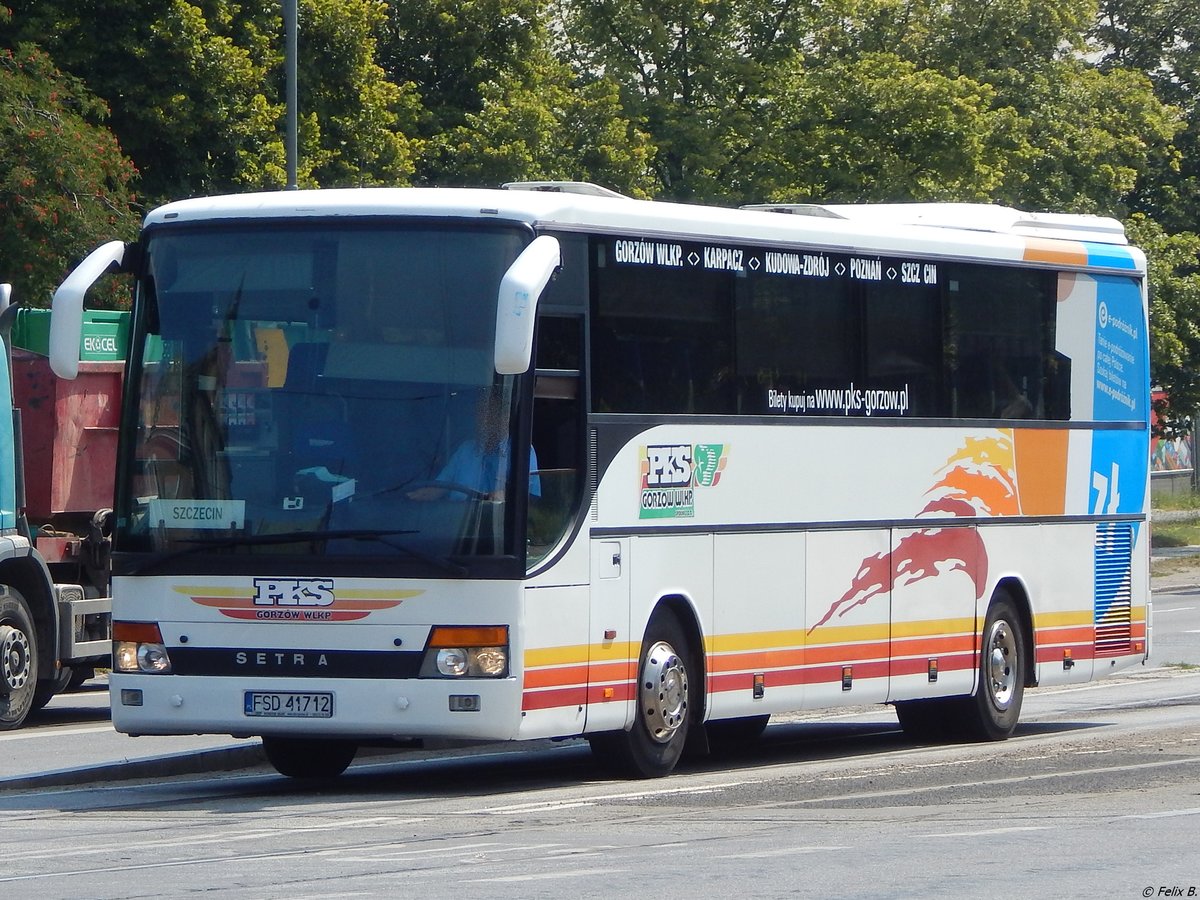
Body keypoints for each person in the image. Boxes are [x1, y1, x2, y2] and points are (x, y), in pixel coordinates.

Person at [408, 390, 541, 500]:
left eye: (490, 413)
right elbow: (440, 487)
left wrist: (500, 496)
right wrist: (413, 496)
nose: (484, 420)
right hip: (457, 525)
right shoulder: (465, 450)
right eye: (480, 413)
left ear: (505, 417)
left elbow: (529, 497)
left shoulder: (521, 450)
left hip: (503, 527)